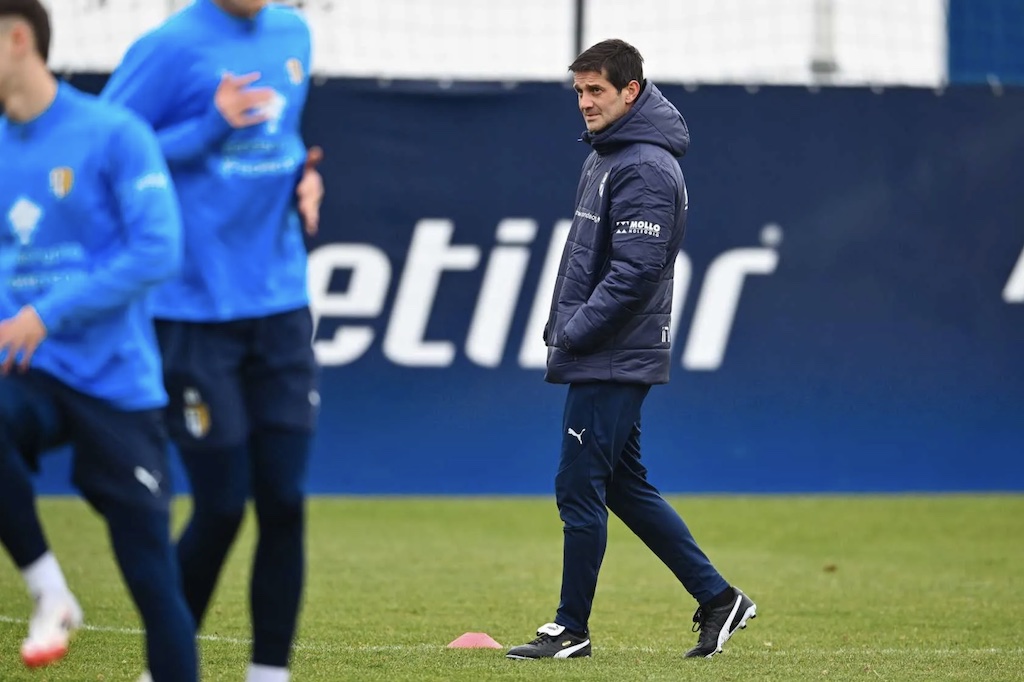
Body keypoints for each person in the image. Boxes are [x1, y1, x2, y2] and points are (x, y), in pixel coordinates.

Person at [506, 39, 757, 661]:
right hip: (607, 348)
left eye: (597, 91)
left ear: (631, 91)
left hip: (614, 353)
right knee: (621, 484)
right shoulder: (609, 155)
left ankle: (571, 629)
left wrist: (575, 330)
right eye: (580, 92)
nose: (586, 103)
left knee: (579, 485)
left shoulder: (643, 165)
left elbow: (635, 273)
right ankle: (719, 598)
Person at [101, 2, 323, 680]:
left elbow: (283, 137)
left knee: (283, 501)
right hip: (194, 314)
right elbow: (104, 150)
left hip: (280, 304)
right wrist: (207, 129)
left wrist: (302, 177)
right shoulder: (168, 46)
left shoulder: (296, 32)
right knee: (223, 504)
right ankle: (167, 668)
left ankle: (269, 672)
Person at [0, 0, 198, 679]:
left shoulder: (113, 133)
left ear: (18, 38)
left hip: (116, 384)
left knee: (154, 582)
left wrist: (46, 313)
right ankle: (51, 591)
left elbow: (156, 251)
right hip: (32, 373)